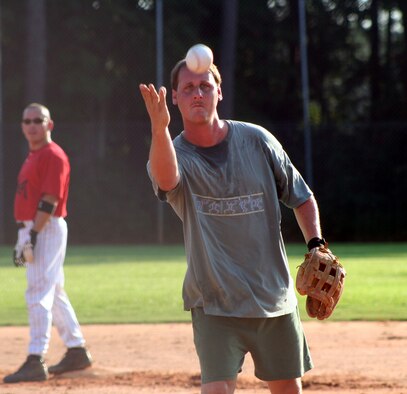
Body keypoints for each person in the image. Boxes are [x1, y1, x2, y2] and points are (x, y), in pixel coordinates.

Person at [140, 59, 327, 394]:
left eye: (205, 86)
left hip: (273, 298)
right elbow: (167, 182)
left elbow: (302, 197)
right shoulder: (172, 152)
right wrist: (159, 129)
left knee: (288, 389)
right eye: (188, 88)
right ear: (175, 100)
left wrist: (316, 243)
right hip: (214, 301)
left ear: (219, 92)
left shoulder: (258, 141)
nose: (197, 93)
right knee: (217, 390)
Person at [4, 103, 92, 384]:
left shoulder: (53, 155)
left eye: (37, 120)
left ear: (49, 124)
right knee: (52, 290)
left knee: (37, 291)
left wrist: (32, 235)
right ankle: (76, 349)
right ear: (22, 126)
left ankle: (35, 358)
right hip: (36, 227)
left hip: (44, 226)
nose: (31, 125)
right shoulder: (34, 155)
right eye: (27, 120)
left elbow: (49, 200)